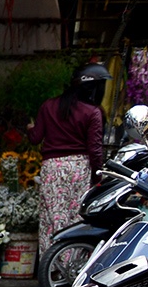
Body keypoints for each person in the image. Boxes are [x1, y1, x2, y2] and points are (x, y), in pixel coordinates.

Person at [27, 63, 107, 250]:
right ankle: (70, 265)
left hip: (52, 167)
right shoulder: (93, 112)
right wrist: (98, 177)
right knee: (74, 218)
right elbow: (95, 149)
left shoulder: (48, 106)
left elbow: (36, 137)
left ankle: (51, 266)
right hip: (79, 169)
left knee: (51, 218)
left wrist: (29, 129)